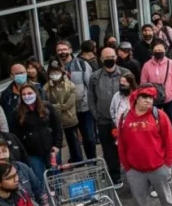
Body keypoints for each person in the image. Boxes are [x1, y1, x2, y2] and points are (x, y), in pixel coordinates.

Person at [118, 84, 172, 206]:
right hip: (135, 169)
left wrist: (168, 164)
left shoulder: (159, 115)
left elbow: (170, 141)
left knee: (165, 194)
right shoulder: (125, 117)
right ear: (136, 98)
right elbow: (122, 144)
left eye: (151, 98)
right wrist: (127, 166)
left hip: (159, 167)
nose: (148, 100)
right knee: (138, 196)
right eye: (144, 97)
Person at [88, 48, 126, 185]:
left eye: (112, 56)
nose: (109, 59)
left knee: (127, 147)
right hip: (103, 120)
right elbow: (91, 98)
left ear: (116, 57)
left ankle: (132, 172)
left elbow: (133, 93)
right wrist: (96, 115)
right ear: (101, 59)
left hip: (123, 121)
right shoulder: (95, 76)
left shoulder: (125, 73)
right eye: (106, 57)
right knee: (109, 150)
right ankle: (115, 176)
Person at [9, 84, 61, 185]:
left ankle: (58, 198)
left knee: (56, 177)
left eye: (29, 93)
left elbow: (57, 127)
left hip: (51, 150)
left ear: (36, 94)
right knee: (40, 179)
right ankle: (45, 199)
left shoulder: (47, 107)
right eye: (24, 94)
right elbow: (15, 135)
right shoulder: (17, 113)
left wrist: (57, 145)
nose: (27, 96)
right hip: (32, 154)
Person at [57, 41, 96, 160]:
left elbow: (90, 85)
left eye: (64, 49)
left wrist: (90, 102)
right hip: (66, 110)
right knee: (71, 139)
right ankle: (77, 160)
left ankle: (92, 160)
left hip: (83, 107)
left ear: (70, 50)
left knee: (89, 137)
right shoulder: (54, 67)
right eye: (59, 50)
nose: (62, 52)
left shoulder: (82, 64)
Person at [44, 60, 82, 164]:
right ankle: (57, 163)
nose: (54, 75)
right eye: (52, 72)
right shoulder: (47, 87)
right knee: (57, 143)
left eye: (57, 72)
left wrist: (54, 107)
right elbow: (45, 103)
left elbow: (68, 103)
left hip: (69, 118)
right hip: (55, 120)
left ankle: (78, 160)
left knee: (73, 142)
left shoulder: (70, 85)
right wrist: (54, 108)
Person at [140, 40, 172, 133]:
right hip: (153, 98)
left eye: (160, 49)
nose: (158, 51)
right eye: (156, 50)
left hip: (169, 97)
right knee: (153, 118)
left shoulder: (171, 63)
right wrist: (148, 94)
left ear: (165, 50)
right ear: (152, 51)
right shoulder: (147, 65)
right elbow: (143, 81)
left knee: (170, 117)